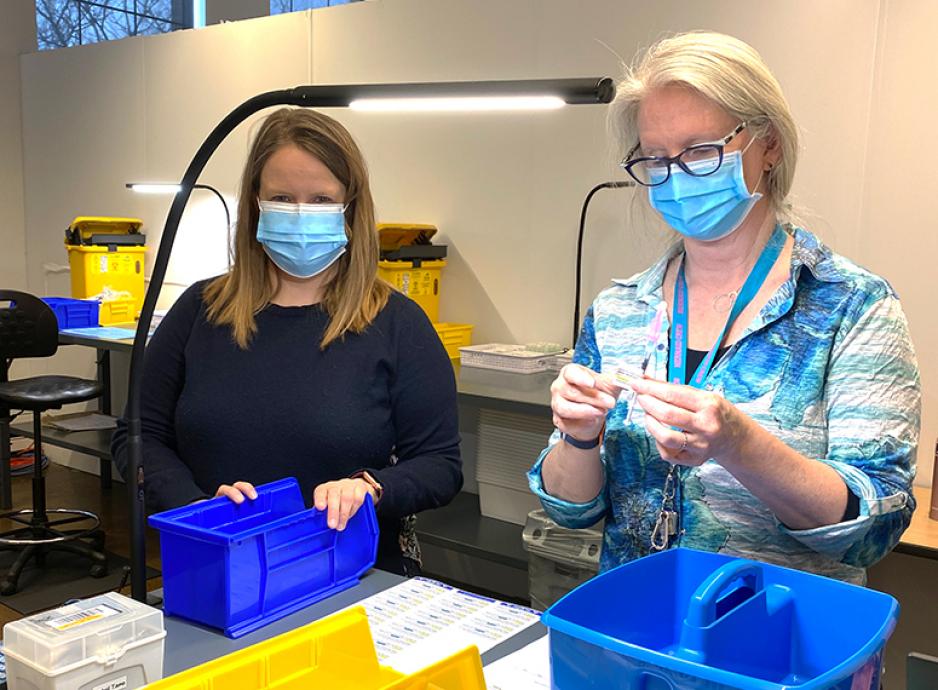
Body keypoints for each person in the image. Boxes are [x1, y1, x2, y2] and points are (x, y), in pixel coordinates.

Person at [528, 31, 920, 584]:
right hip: (632, 635)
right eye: (656, 159)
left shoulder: (851, 307)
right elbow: (571, 509)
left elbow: (873, 526)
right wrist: (578, 436)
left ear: (770, 145)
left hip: (774, 649)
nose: (676, 177)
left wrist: (740, 445)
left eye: (701, 151)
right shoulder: (619, 311)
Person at [112, 108, 463, 576]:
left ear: (351, 208)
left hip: (350, 576)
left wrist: (371, 487)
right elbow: (137, 439)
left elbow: (440, 465)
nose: (301, 213)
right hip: (218, 574)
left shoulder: (397, 324)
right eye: (282, 197)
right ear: (255, 204)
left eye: (320, 199)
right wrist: (197, 509)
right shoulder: (199, 311)